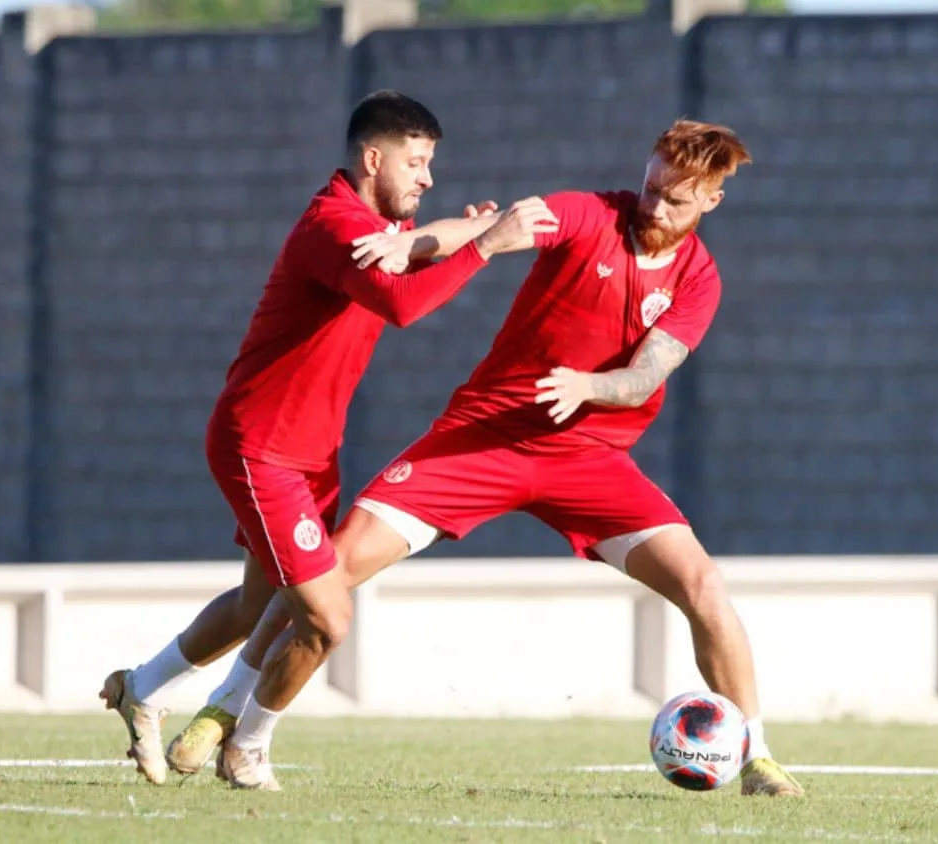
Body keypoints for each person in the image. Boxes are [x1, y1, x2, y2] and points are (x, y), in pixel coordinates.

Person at [189, 118, 805, 798]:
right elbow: (494, 232)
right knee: (328, 570)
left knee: (704, 589)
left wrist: (588, 388)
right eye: (652, 185)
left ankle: (756, 758)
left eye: (676, 199)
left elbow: (643, 378)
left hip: (588, 458)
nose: (654, 206)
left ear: (712, 201)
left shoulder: (698, 281)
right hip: (481, 437)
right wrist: (405, 245)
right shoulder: (589, 212)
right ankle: (228, 710)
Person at [98, 89, 559, 785]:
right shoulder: (334, 225)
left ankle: (144, 688)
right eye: (417, 161)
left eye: (431, 162)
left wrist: (470, 231)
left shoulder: (372, 226)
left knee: (260, 605)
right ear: (374, 159)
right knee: (328, 617)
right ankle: (246, 750)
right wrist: (489, 244)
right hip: (262, 445)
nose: (428, 176)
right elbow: (402, 304)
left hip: (311, 454)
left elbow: (412, 250)